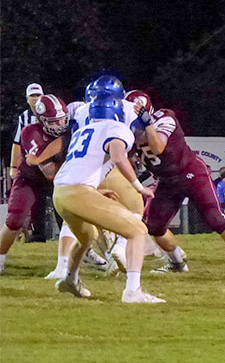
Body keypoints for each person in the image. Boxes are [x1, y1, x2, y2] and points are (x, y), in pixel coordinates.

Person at [133, 98, 225, 276]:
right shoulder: (125, 130)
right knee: (155, 227)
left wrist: (147, 125)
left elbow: (158, 147)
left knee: (216, 219)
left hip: (191, 173)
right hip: (167, 180)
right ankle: (176, 263)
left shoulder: (165, 118)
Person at [53, 97, 164, 303]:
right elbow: (118, 157)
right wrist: (138, 186)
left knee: (87, 237)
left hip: (60, 193)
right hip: (79, 192)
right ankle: (133, 291)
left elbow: (82, 166)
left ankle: (70, 279)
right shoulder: (117, 128)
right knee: (137, 231)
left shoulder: (81, 132)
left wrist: (94, 191)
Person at [0, 94, 70, 274]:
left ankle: (88, 252)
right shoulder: (31, 132)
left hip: (61, 179)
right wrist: (63, 147)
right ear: (42, 120)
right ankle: (0, 256)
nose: (61, 125)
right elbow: (50, 173)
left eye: (62, 120)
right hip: (31, 180)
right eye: (54, 122)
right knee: (15, 218)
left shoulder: (70, 128)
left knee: (75, 214)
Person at [9, 83, 49, 243]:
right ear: (27, 99)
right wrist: (13, 167)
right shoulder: (24, 117)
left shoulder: (50, 112)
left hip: (50, 162)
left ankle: (66, 234)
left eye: (38, 95)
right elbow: (17, 143)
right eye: (32, 96)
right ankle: (39, 235)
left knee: (58, 198)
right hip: (32, 165)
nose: (35, 99)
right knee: (37, 201)